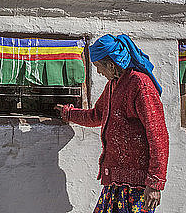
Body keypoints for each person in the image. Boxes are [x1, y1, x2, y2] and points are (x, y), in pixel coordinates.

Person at [55, 34, 169, 213]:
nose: (99, 72)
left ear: (111, 64)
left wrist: (155, 184)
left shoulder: (140, 86)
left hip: (138, 187)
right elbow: (96, 115)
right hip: (115, 182)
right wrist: (68, 113)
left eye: (98, 66)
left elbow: (158, 137)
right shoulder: (112, 86)